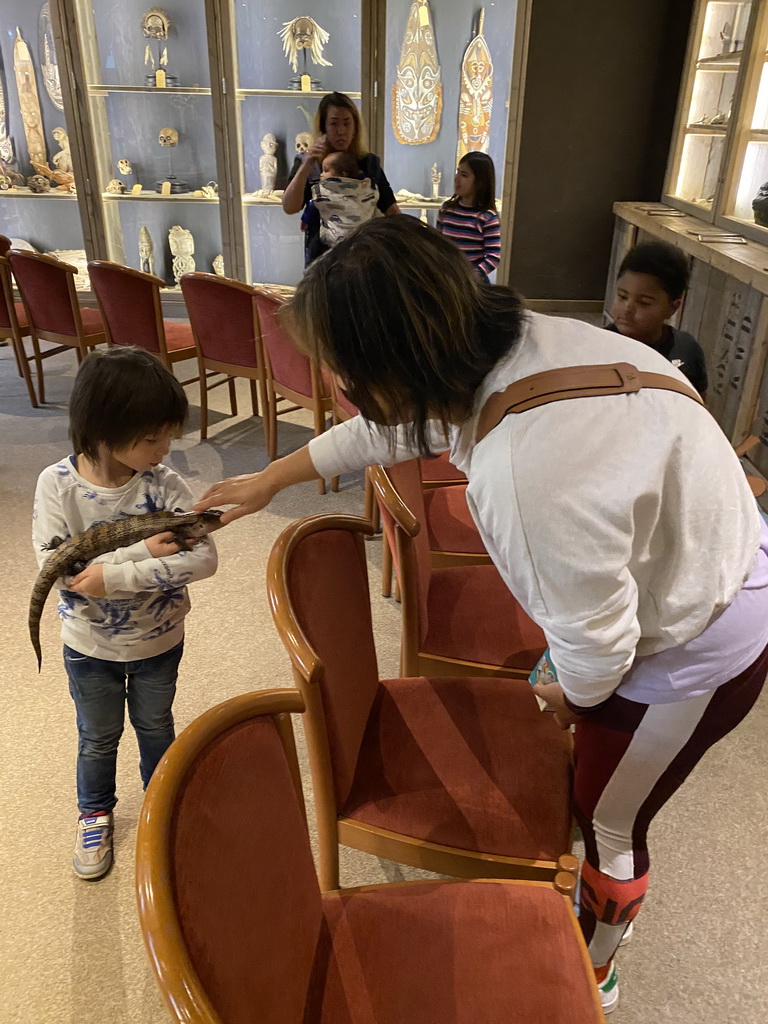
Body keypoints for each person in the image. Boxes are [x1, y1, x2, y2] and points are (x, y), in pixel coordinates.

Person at [194, 216, 768, 1015]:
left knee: (608, 818)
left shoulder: (524, 476)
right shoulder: (519, 343)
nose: (338, 388)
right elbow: (387, 428)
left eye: (341, 372)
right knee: (583, 736)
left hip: (701, 647)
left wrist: (563, 694)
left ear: (386, 371)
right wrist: (270, 479)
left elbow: (598, 658)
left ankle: (595, 964)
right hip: (706, 562)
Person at [32, 347, 218, 881]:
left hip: (160, 640)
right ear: (105, 430)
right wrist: (143, 553)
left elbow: (203, 557)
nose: (166, 449)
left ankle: (164, 809)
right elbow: (59, 570)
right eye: (152, 438)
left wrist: (114, 574)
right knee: (97, 737)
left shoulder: (164, 485)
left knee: (157, 725)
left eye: (168, 435)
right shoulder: (58, 486)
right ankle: (94, 814)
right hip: (90, 648)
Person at [281, 90, 399, 265]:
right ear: (323, 128)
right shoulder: (309, 164)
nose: (341, 131)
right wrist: (306, 165)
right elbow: (290, 207)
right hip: (321, 261)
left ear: (355, 127)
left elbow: (391, 210)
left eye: (347, 123)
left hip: (365, 258)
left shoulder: (368, 163)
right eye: (334, 124)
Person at [608, 240, 708, 397]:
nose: (627, 309)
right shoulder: (596, 347)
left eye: (644, 303)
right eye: (622, 296)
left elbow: (698, 405)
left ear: (673, 308)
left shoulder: (687, 350)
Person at [436, 151, 501, 282]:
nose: (456, 178)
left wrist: (471, 276)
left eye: (464, 175)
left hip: (473, 283)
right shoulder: (446, 209)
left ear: (480, 182)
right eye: (457, 172)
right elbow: (437, 244)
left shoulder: (487, 217)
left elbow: (493, 257)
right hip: (447, 280)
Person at [300, 149, 380, 249]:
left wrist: (305, 219)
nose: (321, 174)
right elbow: (373, 198)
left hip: (335, 239)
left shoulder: (324, 190)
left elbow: (313, 204)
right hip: (362, 238)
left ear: (343, 174)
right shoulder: (366, 187)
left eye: (326, 170)